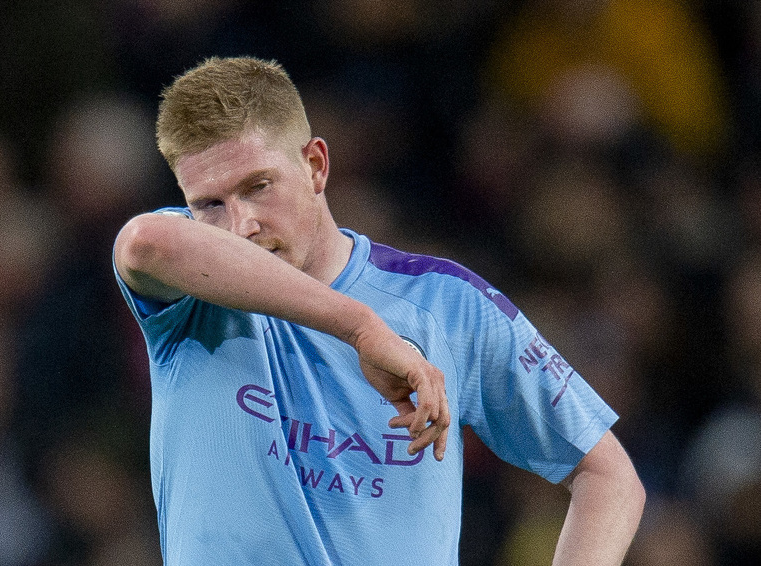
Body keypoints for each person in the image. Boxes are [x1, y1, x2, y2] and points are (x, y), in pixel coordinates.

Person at [113, 56, 645, 565]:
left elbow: (608, 479)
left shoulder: (447, 305)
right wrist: (361, 327)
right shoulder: (189, 292)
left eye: (259, 186)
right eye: (209, 204)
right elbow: (144, 241)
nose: (241, 226)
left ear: (315, 165)